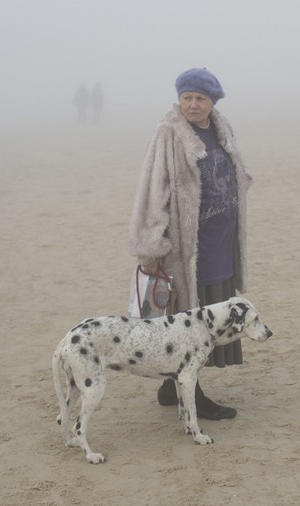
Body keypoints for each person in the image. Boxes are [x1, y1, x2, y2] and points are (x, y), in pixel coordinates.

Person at [128, 68, 253, 420]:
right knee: (189, 320)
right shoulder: (168, 134)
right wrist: (151, 248)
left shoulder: (220, 127)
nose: (192, 105)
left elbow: (235, 170)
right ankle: (190, 394)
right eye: (187, 98)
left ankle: (171, 387)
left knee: (211, 308)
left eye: (200, 98)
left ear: (212, 101)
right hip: (186, 249)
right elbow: (153, 192)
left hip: (219, 244)